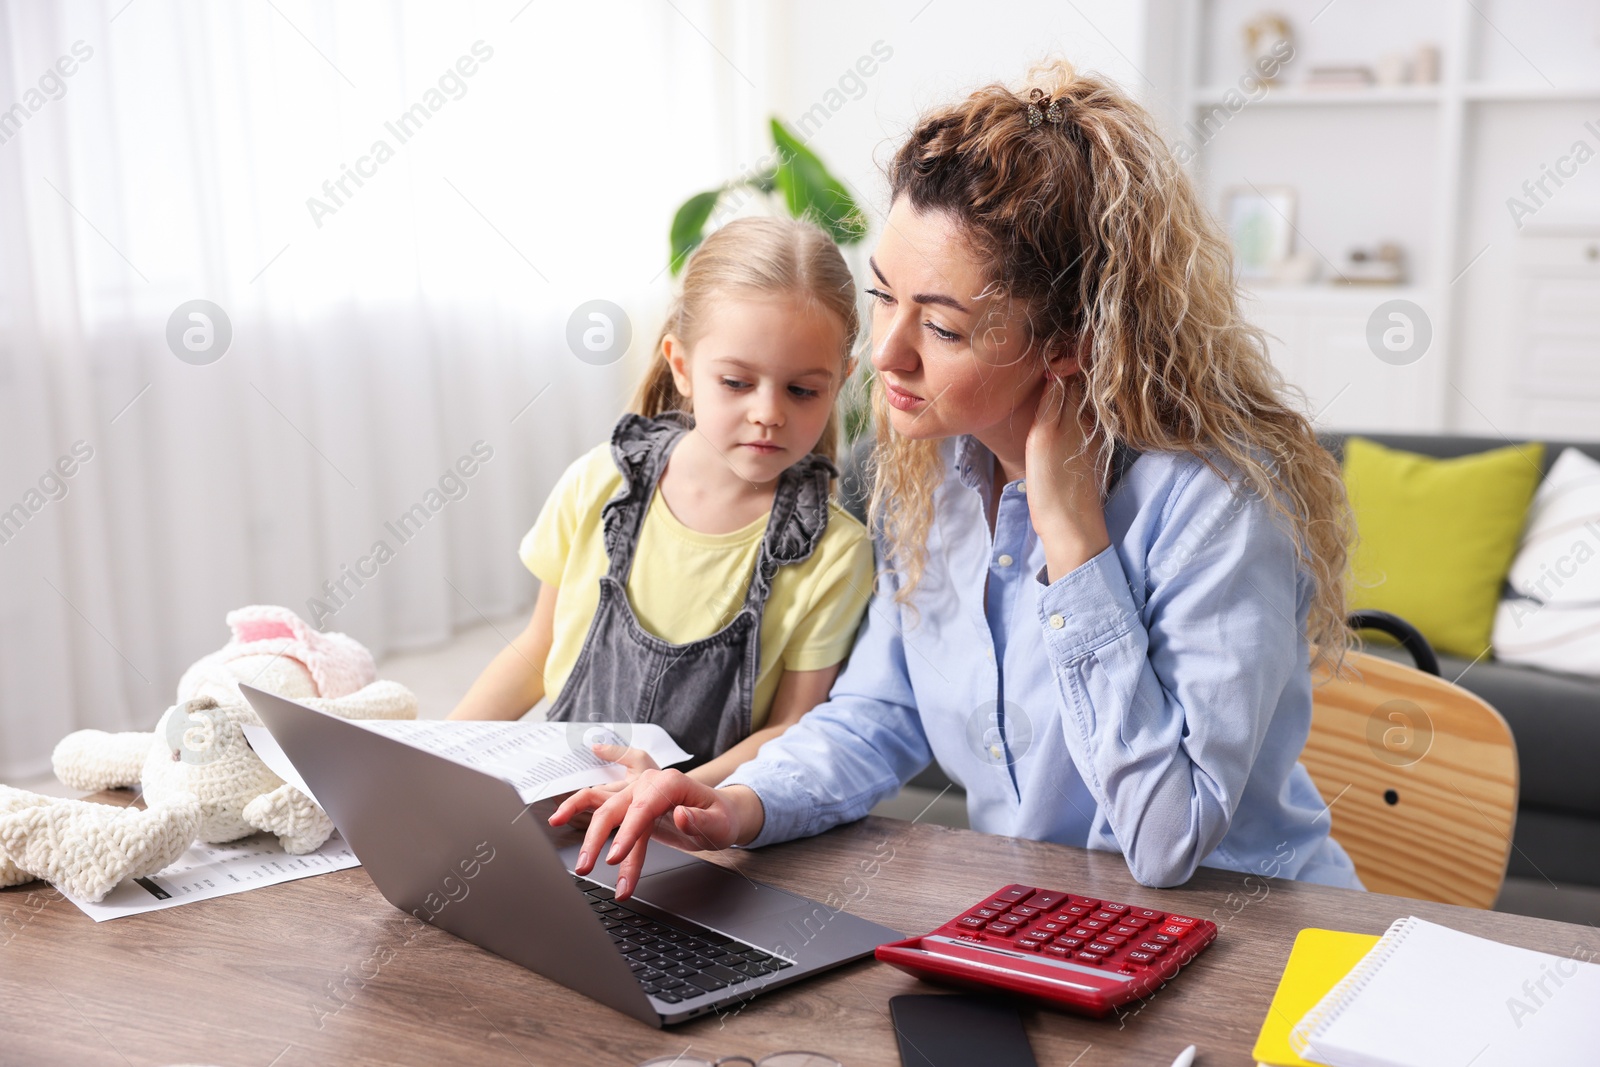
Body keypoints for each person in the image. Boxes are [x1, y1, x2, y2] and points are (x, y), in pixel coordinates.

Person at [553, 59, 1365, 900]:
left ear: (1069, 342)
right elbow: (878, 714)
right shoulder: (936, 467)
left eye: (941, 325)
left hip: (1248, 938)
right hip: (1043, 924)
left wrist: (1076, 545)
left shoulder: (1215, 505)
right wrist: (733, 802)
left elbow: (1169, 842)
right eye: (882, 297)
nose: (886, 352)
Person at [448, 216, 875, 789]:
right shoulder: (598, 482)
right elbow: (537, 648)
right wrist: (444, 749)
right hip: (561, 798)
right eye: (737, 382)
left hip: (700, 824)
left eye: (803, 390)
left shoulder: (834, 553)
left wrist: (675, 792)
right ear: (682, 367)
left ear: (840, 381)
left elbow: (793, 726)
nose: (769, 412)